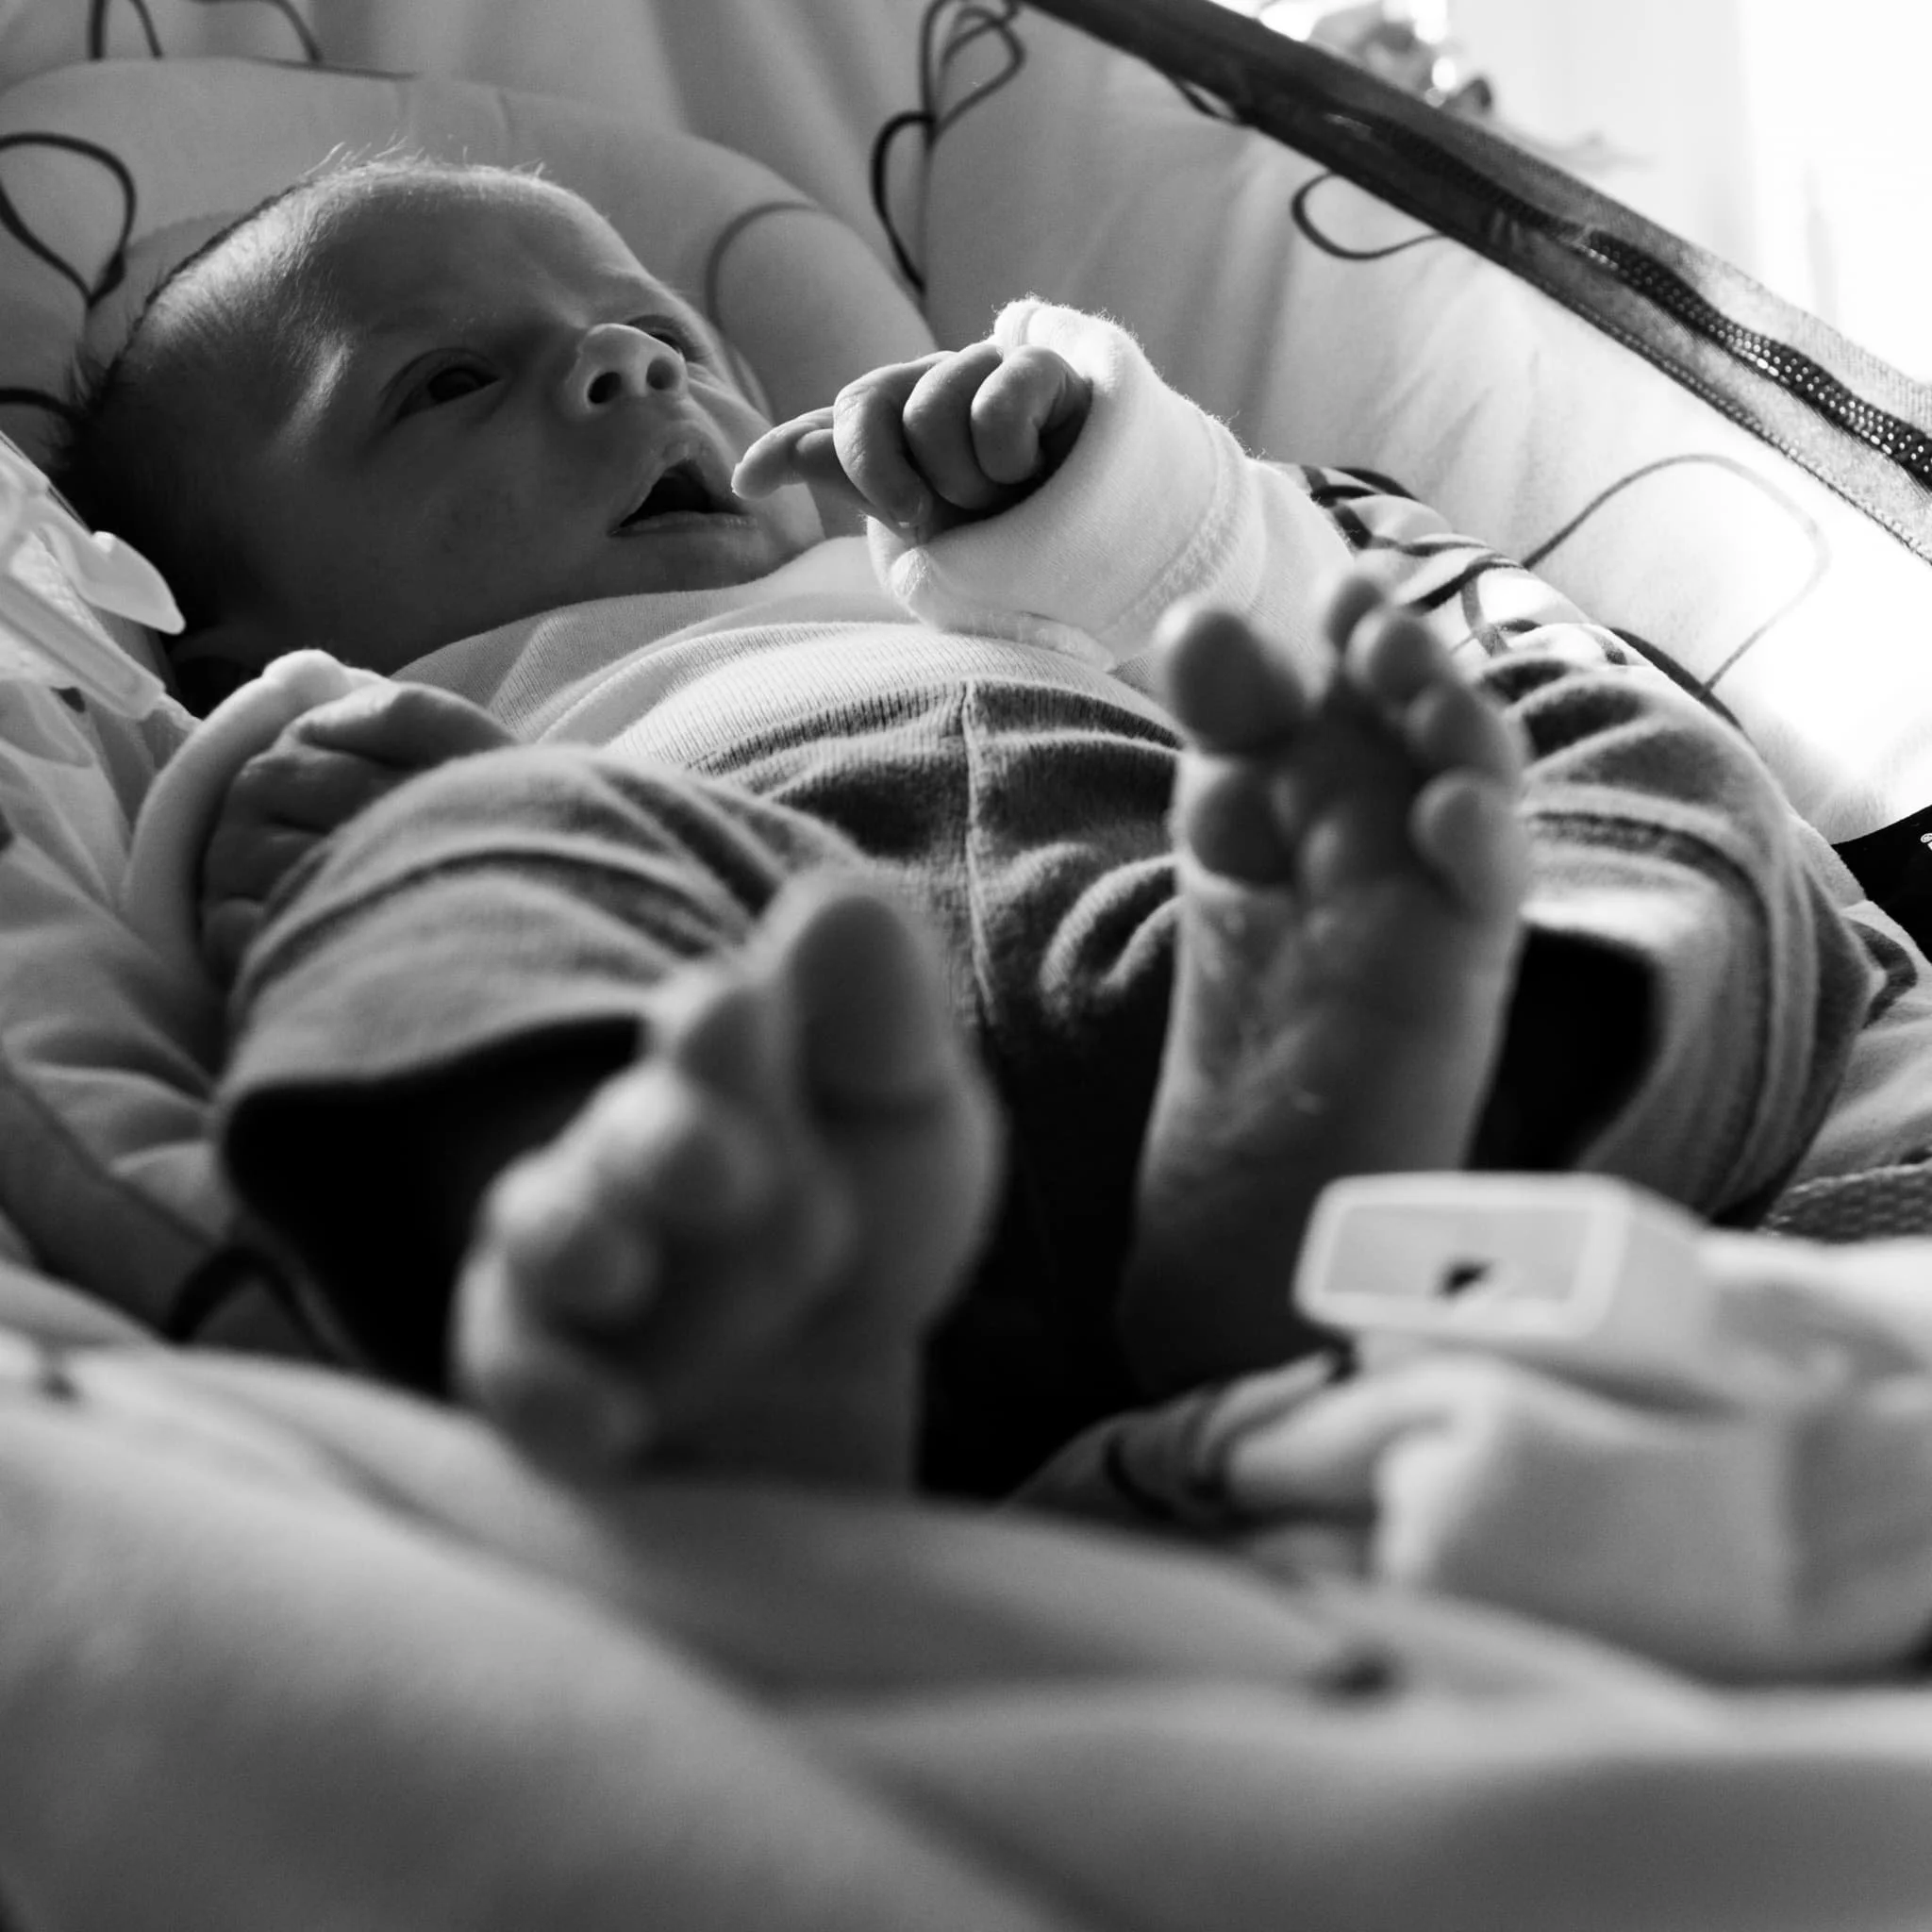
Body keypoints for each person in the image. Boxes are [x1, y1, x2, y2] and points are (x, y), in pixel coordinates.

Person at [53, 157, 1884, 1496]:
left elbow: (1261, 606)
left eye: (652, 332)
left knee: (1594, 744)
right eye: (441, 381)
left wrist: (1089, 489)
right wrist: (356, 821)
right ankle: (712, 1300)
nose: (625, 376)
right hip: (789, 1047)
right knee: (461, 876)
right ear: (237, 635)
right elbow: (253, 913)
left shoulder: (949, 569)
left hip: (1219, 944)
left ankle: (1362, 1146)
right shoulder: (396, 720)